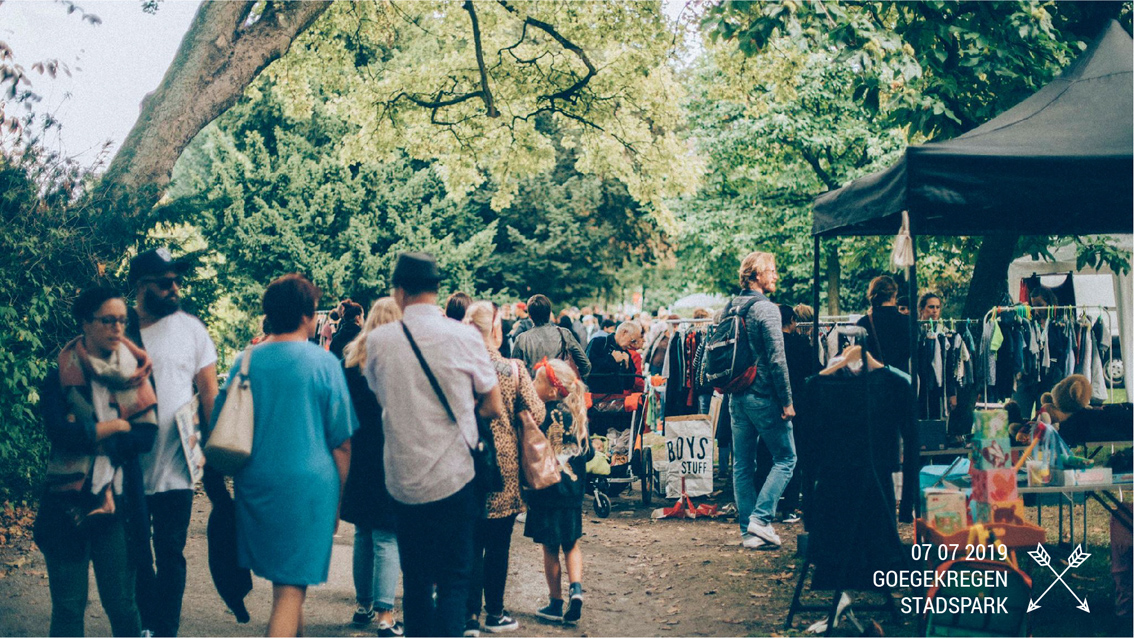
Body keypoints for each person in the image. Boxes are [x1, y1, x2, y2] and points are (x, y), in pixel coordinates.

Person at [364, 253, 504, 638]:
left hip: (403, 479)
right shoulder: (464, 338)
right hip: (455, 476)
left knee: (417, 580)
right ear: (436, 289)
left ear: (399, 291)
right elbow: (493, 405)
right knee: (455, 578)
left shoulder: (378, 342)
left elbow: (381, 397)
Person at [212, 274, 357, 637]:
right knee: (290, 592)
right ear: (308, 316)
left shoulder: (245, 362)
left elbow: (219, 424)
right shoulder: (324, 364)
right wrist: (337, 502)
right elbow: (342, 442)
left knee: (288, 585)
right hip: (310, 489)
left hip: (256, 485)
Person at [35, 285, 159, 637]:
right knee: (69, 608)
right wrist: (119, 425)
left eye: (122, 320)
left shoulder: (136, 374)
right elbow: (59, 433)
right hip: (66, 503)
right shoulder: (59, 377)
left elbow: (146, 437)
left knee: (121, 605)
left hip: (118, 504)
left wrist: (90, 432)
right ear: (85, 323)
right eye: (108, 321)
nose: (117, 328)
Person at [126, 247, 219, 637]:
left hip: (178, 464)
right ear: (140, 287)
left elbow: (210, 394)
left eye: (176, 282)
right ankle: (146, 624)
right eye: (165, 283)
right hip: (127, 465)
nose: (174, 289)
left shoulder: (191, 329)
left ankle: (164, 630)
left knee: (170, 552)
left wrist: (213, 454)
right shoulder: (120, 328)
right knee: (135, 555)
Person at [462, 302, 546, 636]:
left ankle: (468, 616)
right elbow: (537, 413)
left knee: (469, 541)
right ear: (496, 328)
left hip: (465, 463)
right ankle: (494, 613)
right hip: (504, 467)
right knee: (498, 543)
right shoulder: (512, 369)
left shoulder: (458, 365)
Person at [340, 298, 405, 637]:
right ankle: (385, 615)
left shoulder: (350, 360)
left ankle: (363, 604)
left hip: (357, 454)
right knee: (386, 535)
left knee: (363, 532)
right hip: (390, 452)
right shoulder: (401, 360)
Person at [724, 251, 795, 550]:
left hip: (736, 396)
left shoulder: (728, 307)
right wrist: (787, 401)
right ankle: (761, 519)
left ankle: (748, 534)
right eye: (772, 270)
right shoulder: (767, 309)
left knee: (742, 464)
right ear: (756, 275)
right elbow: (778, 360)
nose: (776, 275)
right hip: (763, 395)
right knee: (786, 458)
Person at [525, 358, 593, 626]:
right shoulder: (577, 415)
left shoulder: (539, 416)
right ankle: (576, 589)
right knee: (572, 544)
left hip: (546, 493)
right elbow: (588, 452)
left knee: (550, 548)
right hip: (572, 494)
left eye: (537, 381)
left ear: (552, 390)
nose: (532, 384)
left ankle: (555, 602)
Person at [512, 294, 591, 379]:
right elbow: (586, 364)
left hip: (533, 389)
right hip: (560, 388)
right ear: (549, 313)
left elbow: (514, 372)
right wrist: (572, 381)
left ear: (530, 316)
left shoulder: (521, 339)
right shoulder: (564, 334)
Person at [856, 275, 911, 374]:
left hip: (874, 381)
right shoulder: (908, 322)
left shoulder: (863, 323)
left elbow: (860, 354)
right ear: (894, 294)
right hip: (901, 379)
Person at [586, 321, 644, 395]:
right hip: (595, 397)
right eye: (633, 341)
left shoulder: (626, 353)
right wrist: (612, 360)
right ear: (624, 333)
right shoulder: (598, 343)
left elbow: (628, 385)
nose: (632, 345)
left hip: (617, 399)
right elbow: (588, 372)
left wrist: (627, 367)